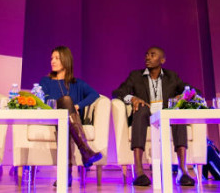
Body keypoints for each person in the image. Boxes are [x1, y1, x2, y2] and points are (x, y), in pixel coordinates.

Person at [112, 46, 197, 187]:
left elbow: (193, 91)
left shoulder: (172, 77)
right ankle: (139, 171)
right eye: (146, 55)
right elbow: (118, 92)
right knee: (140, 109)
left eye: (152, 55)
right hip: (145, 115)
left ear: (162, 60)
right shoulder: (135, 76)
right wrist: (132, 98)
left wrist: (182, 96)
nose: (148, 57)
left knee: (177, 113)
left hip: (165, 115)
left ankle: (182, 169)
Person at [38, 46, 102, 186]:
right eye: (52, 58)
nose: (53, 61)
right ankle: (85, 151)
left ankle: (65, 174)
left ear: (66, 61)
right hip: (52, 117)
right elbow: (45, 100)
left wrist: (77, 106)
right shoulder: (46, 81)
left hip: (67, 121)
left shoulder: (76, 83)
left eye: (57, 58)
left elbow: (94, 94)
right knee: (66, 101)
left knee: (65, 121)